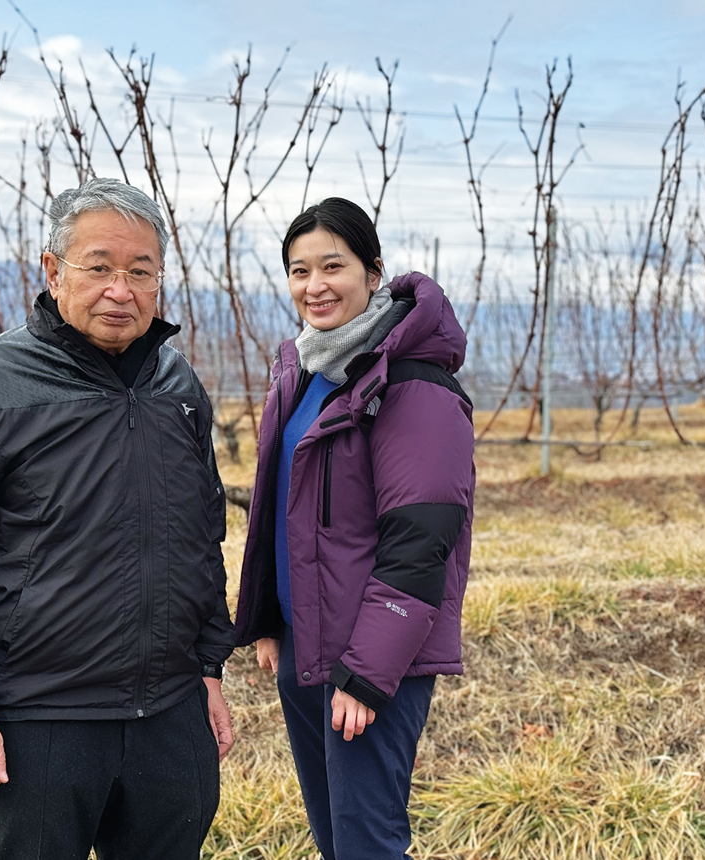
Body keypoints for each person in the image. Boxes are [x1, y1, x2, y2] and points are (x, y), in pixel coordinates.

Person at [0, 178, 234, 860]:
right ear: (53, 271)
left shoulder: (178, 387)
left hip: (170, 719)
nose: (121, 291)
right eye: (99, 267)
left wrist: (207, 669)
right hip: (38, 721)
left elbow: (203, 538)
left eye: (141, 272)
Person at [234, 197, 475, 860]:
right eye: (299, 270)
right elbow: (285, 509)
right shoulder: (306, 374)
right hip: (306, 643)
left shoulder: (413, 385)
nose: (315, 285)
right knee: (335, 838)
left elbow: (422, 540)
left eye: (332, 266)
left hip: (371, 659)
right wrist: (269, 618)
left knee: (367, 842)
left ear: (373, 273)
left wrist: (367, 673)